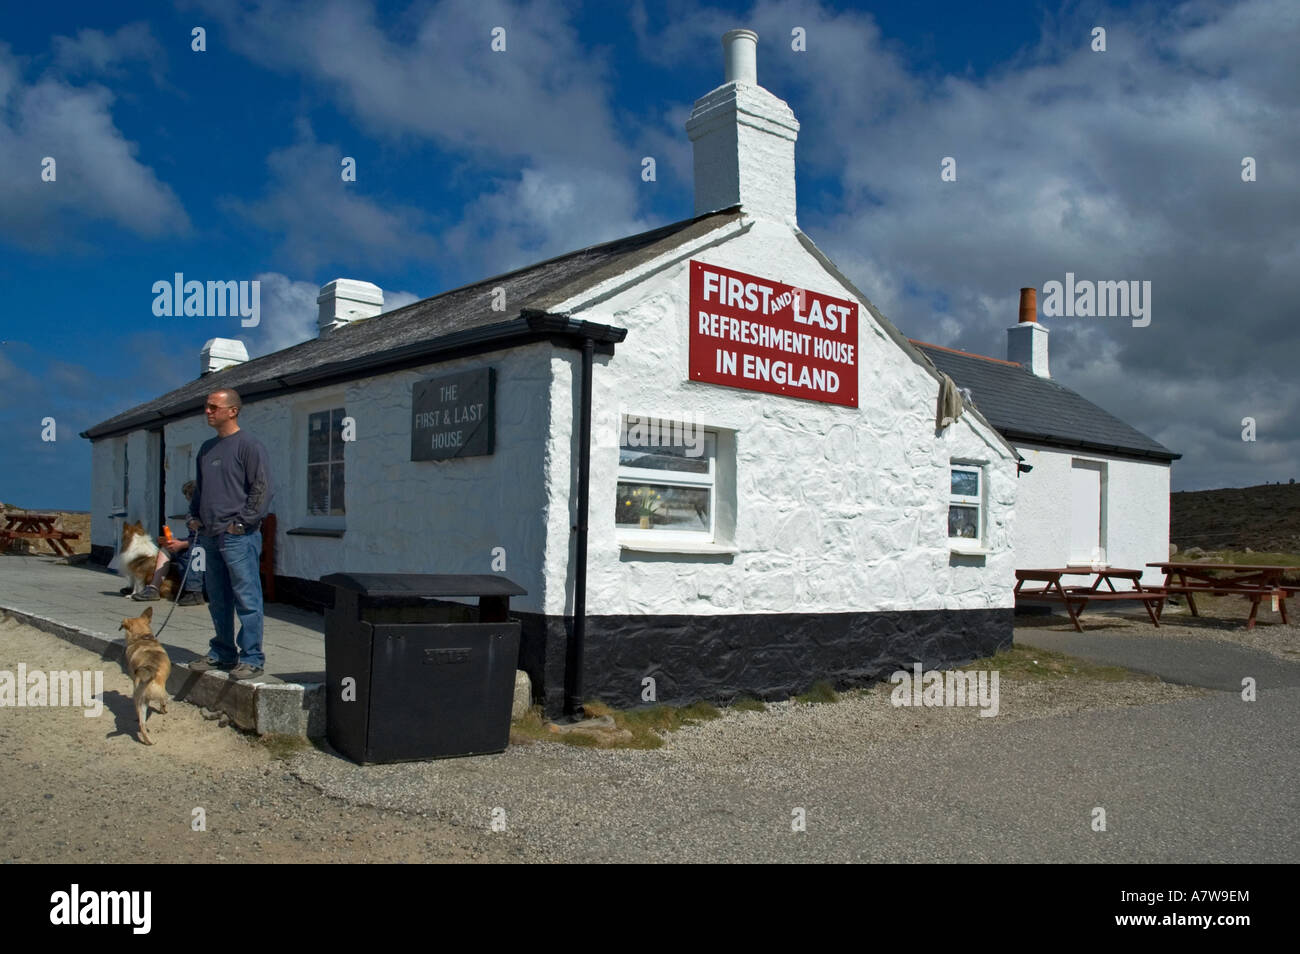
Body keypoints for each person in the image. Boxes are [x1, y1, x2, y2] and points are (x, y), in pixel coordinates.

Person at [187, 388, 273, 680]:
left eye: (213, 407)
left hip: (238, 536)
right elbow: (200, 489)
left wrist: (243, 523)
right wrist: (194, 515)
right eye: (207, 406)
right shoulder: (206, 448)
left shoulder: (249, 445)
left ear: (232, 411)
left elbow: (261, 489)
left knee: (247, 598)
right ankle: (223, 652)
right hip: (210, 535)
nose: (208, 411)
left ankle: (252, 658)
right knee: (219, 598)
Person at [130, 479, 206, 604]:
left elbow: (206, 538)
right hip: (193, 541)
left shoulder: (207, 511)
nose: (187, 500)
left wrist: (182, 544)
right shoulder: (192, 512)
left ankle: (194, 591)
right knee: (166, 549)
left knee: (197, 550)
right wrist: (174, 542)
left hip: (204, 546)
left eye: (188, 496)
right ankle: (154, 588)